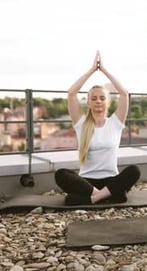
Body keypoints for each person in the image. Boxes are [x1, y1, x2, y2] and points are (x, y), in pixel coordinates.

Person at [54, 51, 140, 205]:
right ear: (88, 103)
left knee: (134, 170)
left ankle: (93, 199)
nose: (98, 101)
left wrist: (104, 70)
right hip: (87, 182)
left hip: (111, 180)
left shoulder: (115, 123)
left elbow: (124, 94)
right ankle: (106, 196)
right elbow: (72, 93)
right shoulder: (81, 124)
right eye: (93, 98)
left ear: (108, 102)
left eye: (102, 98)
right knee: (61, 174)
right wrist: (92, 70)